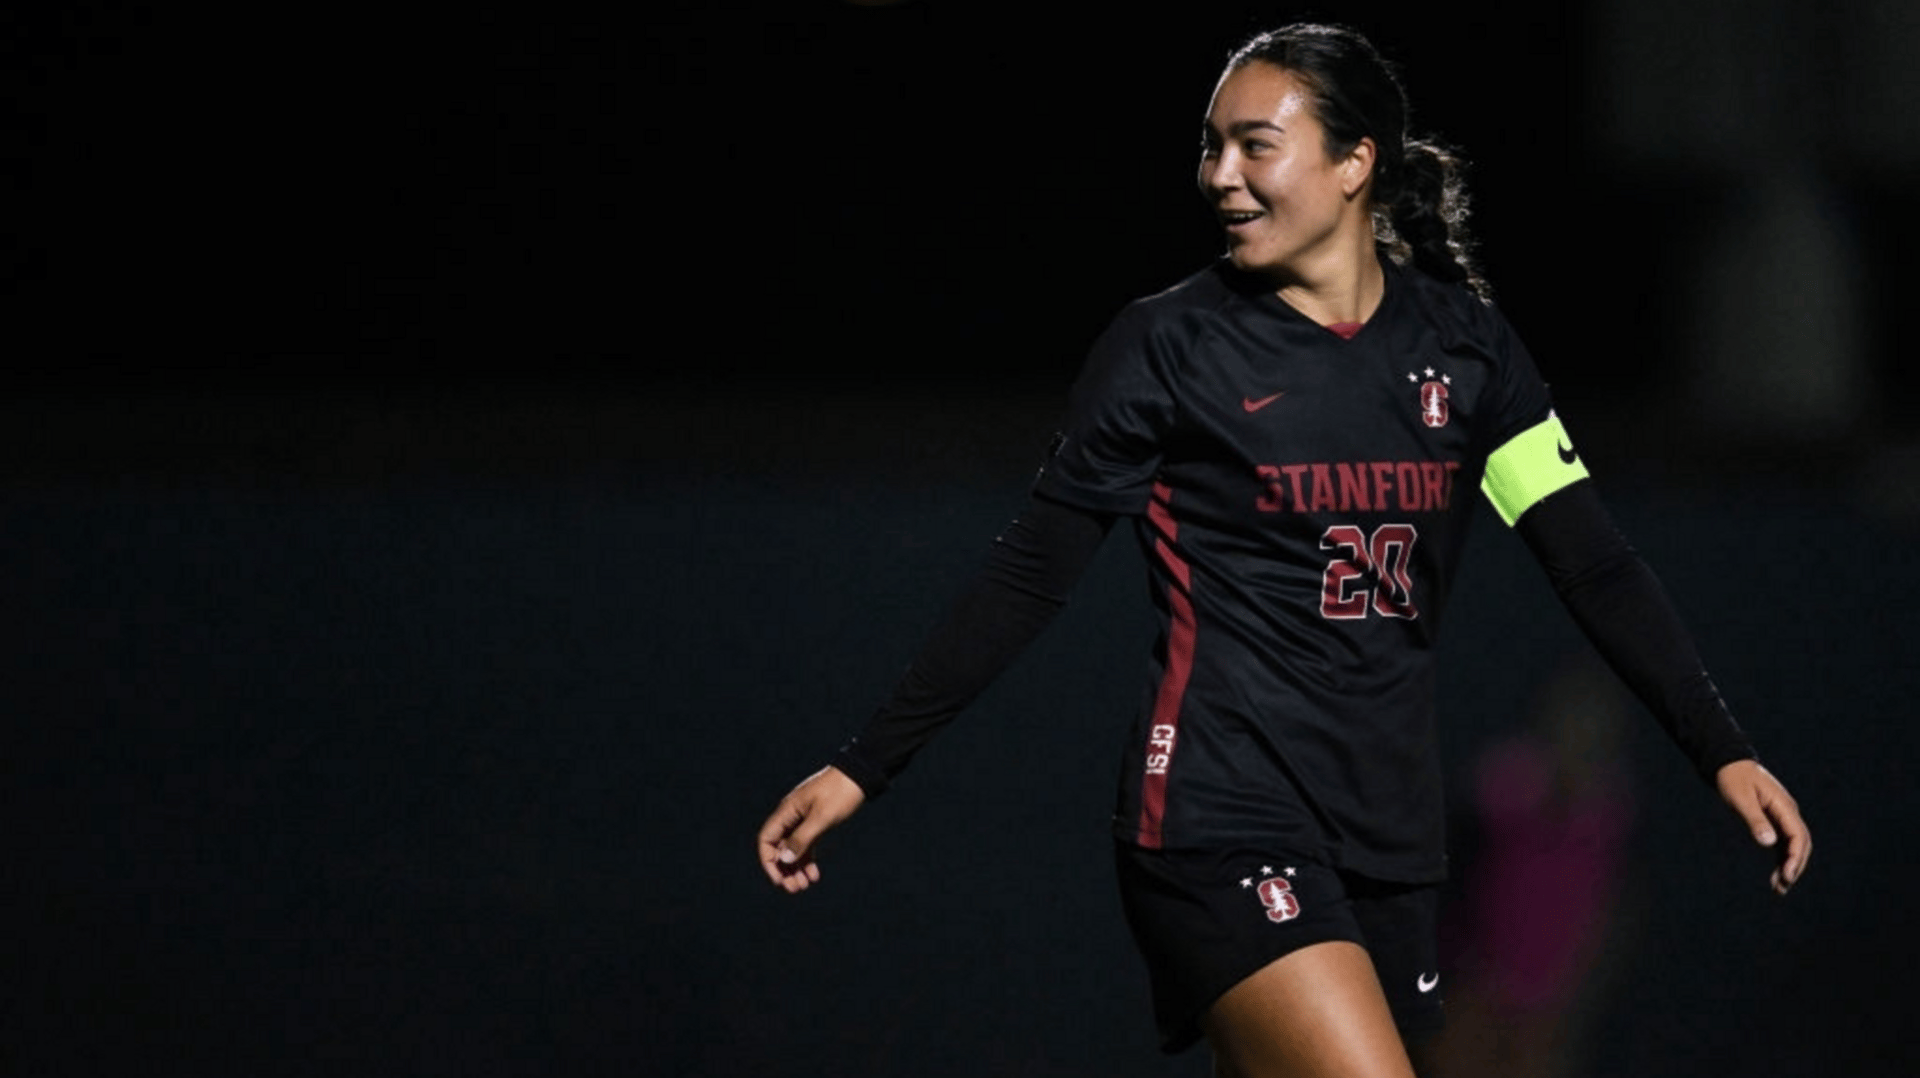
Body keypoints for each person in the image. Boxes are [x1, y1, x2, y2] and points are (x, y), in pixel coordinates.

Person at [755, 21, 1811, 1078]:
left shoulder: (1467, 349)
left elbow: (1592, 561)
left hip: (1387, 839)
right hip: (1217, 814)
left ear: (1357, 163)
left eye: (1256, 144)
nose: (1221, 175)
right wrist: (865, 765)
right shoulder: (1168, 347)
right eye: (1211, 147)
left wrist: (1720, 746)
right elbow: (1033, 570)